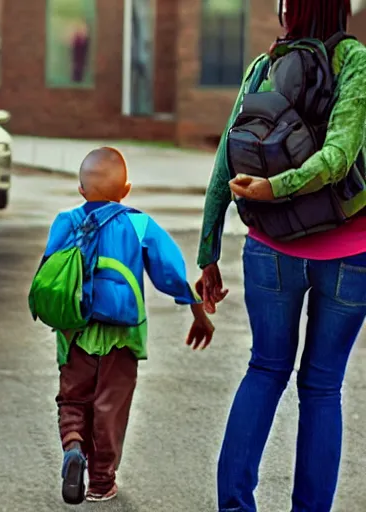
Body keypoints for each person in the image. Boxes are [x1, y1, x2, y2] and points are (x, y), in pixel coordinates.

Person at [196, 0, 366, 511]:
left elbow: (226, 157)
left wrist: (209, 253)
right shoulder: (354, 60)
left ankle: (234, 506)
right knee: (321, 388)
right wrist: (277, 186)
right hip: (349, 249)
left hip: (270, 248)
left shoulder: (263, 66)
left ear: (286, 10)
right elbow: (340, 156)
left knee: (266, 369)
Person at [34, 147, 214, 504]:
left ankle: (73, 448)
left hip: (75, 331)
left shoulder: (64, 222)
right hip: (122, 335)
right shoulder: (138, 223)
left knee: (73, 397)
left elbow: (50, 272)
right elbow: (170, 273)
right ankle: (101, 481)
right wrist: (197, 312)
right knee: (110, 406)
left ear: (81, 189)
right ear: (126, 189)